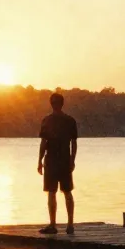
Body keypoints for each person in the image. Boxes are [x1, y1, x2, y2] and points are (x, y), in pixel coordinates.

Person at [37, 92, 78, 235]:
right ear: (62, 104)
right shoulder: (70, 120)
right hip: (64, 160)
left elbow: (44, 143)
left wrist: (39, 161)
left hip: (52, 161)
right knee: (67, 191)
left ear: (51, 104)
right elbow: (74, 143)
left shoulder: (47, 120)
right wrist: (72, 160)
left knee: (52, 192)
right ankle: (70, 224)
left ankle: (53, 224)